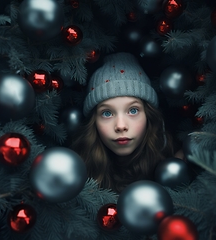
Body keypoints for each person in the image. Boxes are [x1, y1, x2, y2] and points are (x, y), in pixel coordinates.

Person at [71, 52, 179, 193]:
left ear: (148, 115)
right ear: (94, 122)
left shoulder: (175, 167)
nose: (121, 126)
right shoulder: (77, 174)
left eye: (133, 111)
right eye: (107, 113)